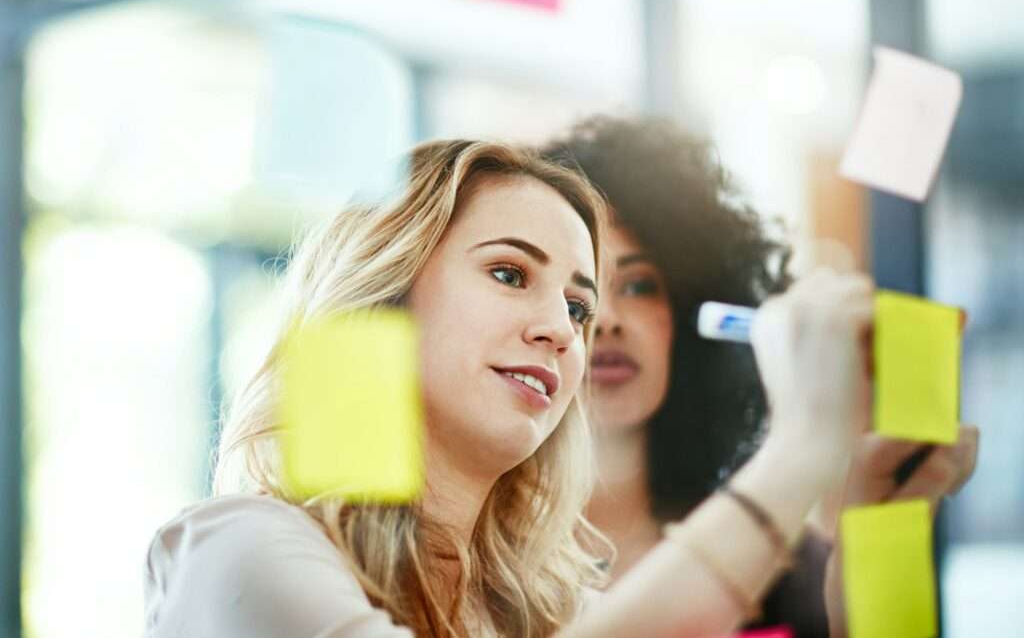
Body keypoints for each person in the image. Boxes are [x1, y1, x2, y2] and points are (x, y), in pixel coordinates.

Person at [145, 138, 882, 637]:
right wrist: (797, 450)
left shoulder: (556, 612)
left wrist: (877, 511)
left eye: (577, 306)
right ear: (383, 297)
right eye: (508, 273)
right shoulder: (239, 551)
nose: (564, 331)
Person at [540, 116, 980, 636]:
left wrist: (883, 529)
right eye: (576, 296)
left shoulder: (788, 562)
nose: (607, 318)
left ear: (684, 314)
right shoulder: (471, 562)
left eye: (639, 286)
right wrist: (806, 443)